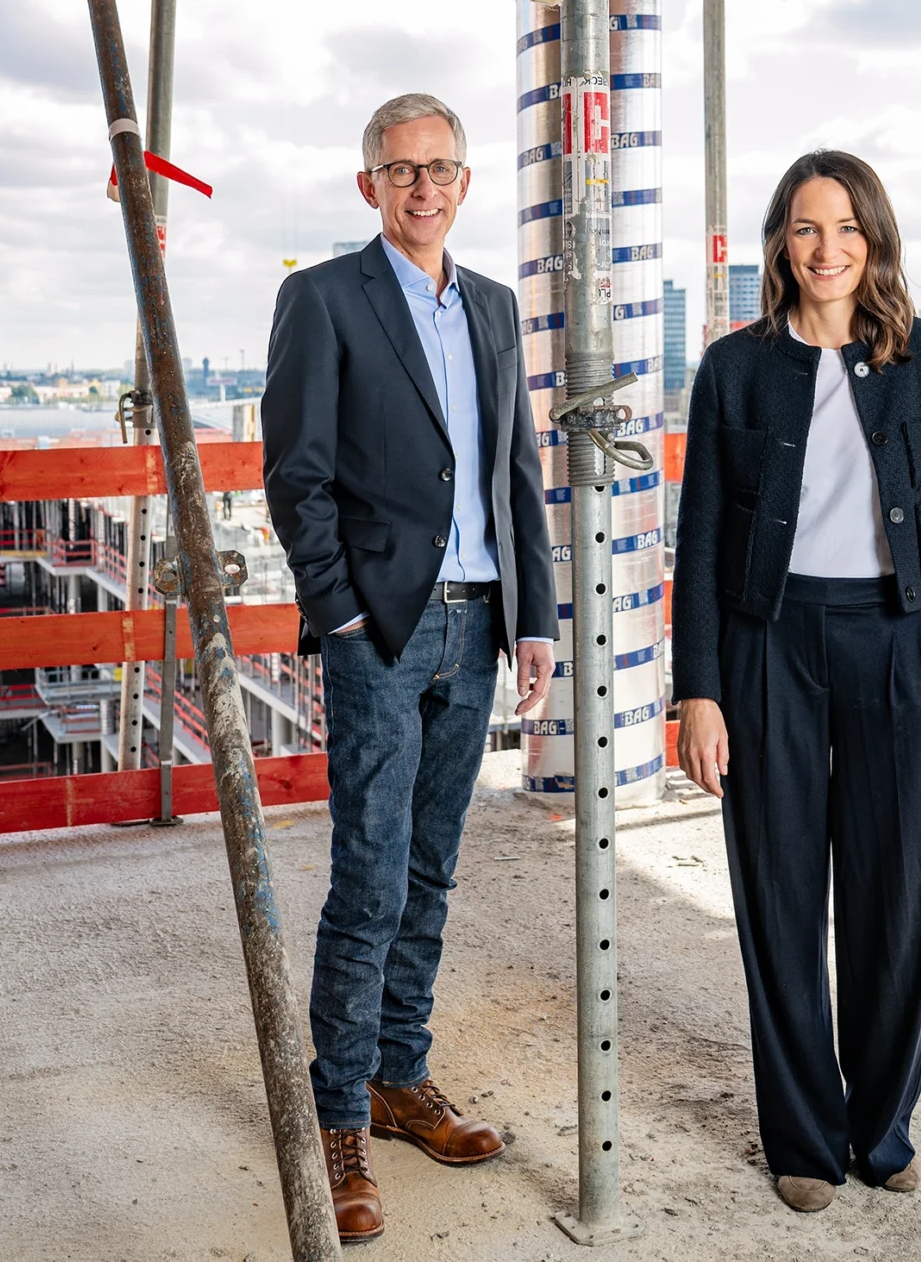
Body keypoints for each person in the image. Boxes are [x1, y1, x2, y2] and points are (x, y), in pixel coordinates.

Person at [670, 150, 921, 1214]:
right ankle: (804, 1136)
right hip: (767, 642)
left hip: (895, 641)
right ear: (780, 242)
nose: (827, 248)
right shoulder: (734, 367)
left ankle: (882, 1126)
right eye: (807, 228)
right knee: (779, 894)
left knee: (896, 891)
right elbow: (701, 539)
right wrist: (699, 689)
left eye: (848, 227)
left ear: (875, 240)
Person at [262, 93, 559, 1244]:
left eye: (439, 168)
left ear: (465, 183)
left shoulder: (492, 306)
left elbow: (515, 468)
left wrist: (534, 619)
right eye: (400, 170)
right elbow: (297, 472)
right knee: (371, 876)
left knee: (431, 869)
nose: (422, 187)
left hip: (478, 625)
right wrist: (337, 613)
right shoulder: (323, 298)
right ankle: (337, 1113)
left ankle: (399, 1076)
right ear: (369, 186)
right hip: (379, 630)